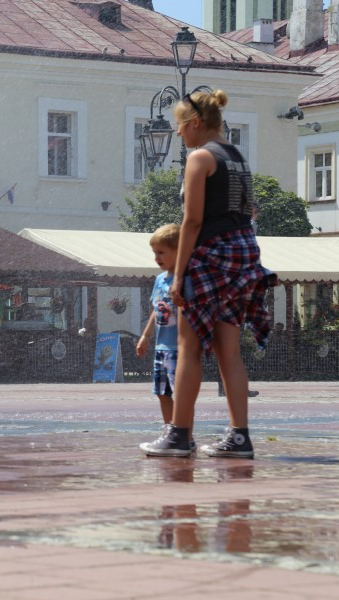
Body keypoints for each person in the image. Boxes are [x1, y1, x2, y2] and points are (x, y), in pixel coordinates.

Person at [140, 89, 276, 459]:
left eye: (181, 128)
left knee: (189, 347)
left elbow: (193, 220)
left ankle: (179, 435)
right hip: (244, 255)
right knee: (229, 351)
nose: (179, 136)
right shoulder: (237, 157)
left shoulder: (200, 158)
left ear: (196, 123)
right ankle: (239, 437)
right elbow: (248, 211)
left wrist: (180, 275)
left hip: (211, 256)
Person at [135, 224, 195, 450]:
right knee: (162, 393)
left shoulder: (185, 280)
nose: (156, 258)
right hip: (162, 346)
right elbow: (155, 311)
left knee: (181, 396)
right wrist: (145, 336)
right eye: (155, 253)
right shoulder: (160, 280)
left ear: (179, 251)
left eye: (161, 252)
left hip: (180, 347)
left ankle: (186, 437)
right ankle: (170, 431)